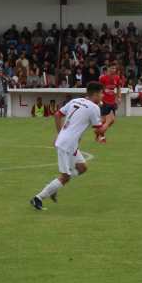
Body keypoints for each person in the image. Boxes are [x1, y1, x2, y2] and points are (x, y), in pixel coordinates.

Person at [31, 82, 106, 211]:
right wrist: (109, 121)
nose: (102, 96)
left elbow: (57, 115)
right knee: (65, 176)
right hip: (67, 145)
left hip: (69, 143)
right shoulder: (94, 108)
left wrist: (60, 133)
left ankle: (55, 186)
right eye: (101, 93)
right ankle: (38, 198)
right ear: (96, 94)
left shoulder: (75, 100)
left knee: (82, 168)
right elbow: (99, 131)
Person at [97, 62, 124, 133]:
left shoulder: (117, 77)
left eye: (115, 68)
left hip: (113, 101)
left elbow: (118, 87)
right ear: (108, 68)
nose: (114, 70)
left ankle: (99, 132)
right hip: (104, 101)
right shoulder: (102, 78)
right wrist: (99, 100)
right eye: (112, 68)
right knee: (103, 120)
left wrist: (119, 97)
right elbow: (99, 89)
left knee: (112, 120)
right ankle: (100, 134)